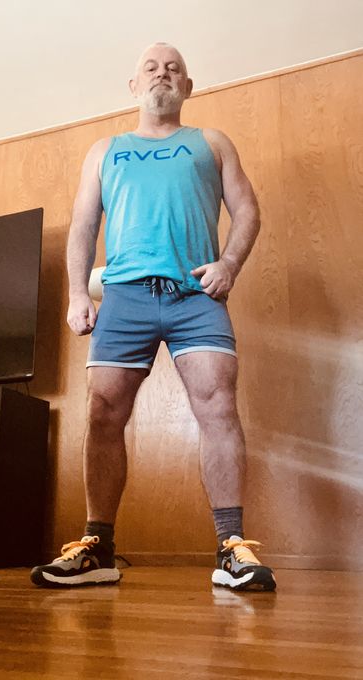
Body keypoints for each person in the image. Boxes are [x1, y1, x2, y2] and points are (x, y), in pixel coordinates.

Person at [31, 43, 276, 591]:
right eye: (151, 67)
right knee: (102, 412)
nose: (162, 74)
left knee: (218, 408)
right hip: (124, 298)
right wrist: (77, 294)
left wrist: (230, 264)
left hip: (195, 295)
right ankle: (98, 549)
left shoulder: (211, 143)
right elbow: (83, 226)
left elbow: (247, 209)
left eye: (173, 69)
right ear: (134, 85)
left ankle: (231, 548)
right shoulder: (105, 150)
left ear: (187, 86)